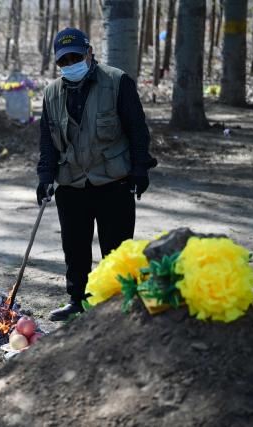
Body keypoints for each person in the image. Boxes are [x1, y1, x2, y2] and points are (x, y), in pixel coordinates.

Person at [37, 28, 157, 321]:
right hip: (72, 184)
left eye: (76, 57)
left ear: (89, 53)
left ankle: (117, 303)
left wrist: (140, 169)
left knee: (116, 250)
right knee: (74, 249)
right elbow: (47, 141)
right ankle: (77, 300)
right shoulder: (52, 92)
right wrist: (44, 176)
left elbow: (137, 130)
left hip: (113, 183)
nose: (71, 64)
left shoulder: (117, 82)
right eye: (64, 61)